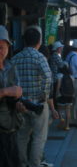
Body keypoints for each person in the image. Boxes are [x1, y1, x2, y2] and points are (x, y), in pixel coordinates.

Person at [11, 25, 52, 167]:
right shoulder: (40, 57)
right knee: (38, 138)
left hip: (20, 104)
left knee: (21, 136)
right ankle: (35, 164)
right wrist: (44, 96)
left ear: (24, 41)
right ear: (39, 41)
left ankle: (22, 163)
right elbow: (48, 77)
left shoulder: (15, 58)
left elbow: (10, 81)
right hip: (38, 105)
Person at [0, 25, 23, 167]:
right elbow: (9, 91)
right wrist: (5, 92)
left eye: (3, 46)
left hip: (11, 127)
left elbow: (17, 92)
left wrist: (19, 103)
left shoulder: (11, 66)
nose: (1, 51)